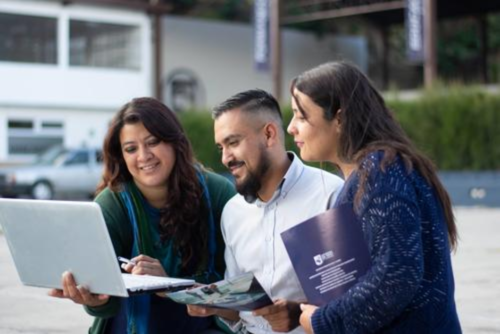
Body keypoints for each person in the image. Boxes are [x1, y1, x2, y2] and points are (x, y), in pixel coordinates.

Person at [287, 61, 462, 333]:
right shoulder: (376, 170)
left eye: (300, 116)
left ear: (340, 119)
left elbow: (397, 277)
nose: (291, 128)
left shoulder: (380, 172)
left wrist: (324, 321)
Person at [49, 97, 236, 334]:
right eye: (131, 149)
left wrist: (169, 285)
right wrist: (94, 300)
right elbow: (106, 304)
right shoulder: (110, 205)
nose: (144, 155)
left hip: (203, 325)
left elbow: (237, 285)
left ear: (174, 142)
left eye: (153, 142)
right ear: (121, 156)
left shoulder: (218, 193)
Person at [187, 89, 345, 334]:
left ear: (269, 134)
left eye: (233, 142)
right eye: (221, 147)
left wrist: (297, 313)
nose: (226, 158)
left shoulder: (330, 194)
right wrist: (214, 303)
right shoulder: (233, 211)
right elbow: (241, 310)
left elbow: (351, 302)